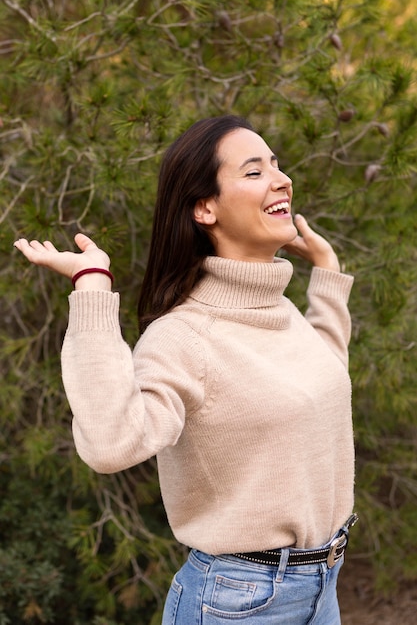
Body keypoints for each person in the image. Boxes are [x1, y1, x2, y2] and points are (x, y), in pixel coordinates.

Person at [14, 115, 357, 624]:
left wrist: (327, 274)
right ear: (205, 208)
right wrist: (91, 288)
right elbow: (111, 443)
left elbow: (321, 378)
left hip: (321, 588)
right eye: (253, 171)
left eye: (277, 166)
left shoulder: (277, 311)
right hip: (240, 602)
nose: (281, 179)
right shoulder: (184, 337)